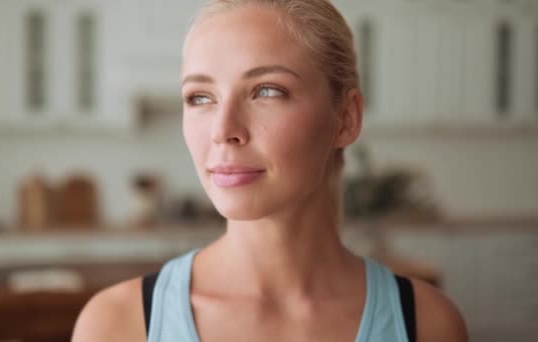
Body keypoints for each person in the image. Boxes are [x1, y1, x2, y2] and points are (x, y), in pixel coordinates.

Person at [72, 0, 468, 341]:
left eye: (267, 91)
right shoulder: (115, 326)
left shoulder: (430, 326)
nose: (224, 131)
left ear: (346, 118)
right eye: (200, 97)